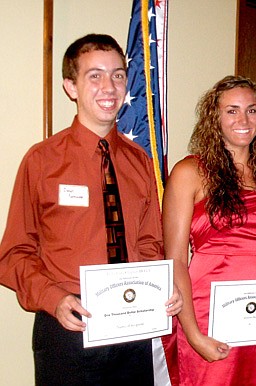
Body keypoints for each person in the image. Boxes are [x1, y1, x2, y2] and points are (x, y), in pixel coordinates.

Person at [0, 33, 182, 385]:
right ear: (71, 87)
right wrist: (54, 299)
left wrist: (161, 287)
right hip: (70, 329)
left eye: (117, 75)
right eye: (94, 76)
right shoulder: (41, 161)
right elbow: (13, 255)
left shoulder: (140, 162)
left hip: (133, 328)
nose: (109, 87)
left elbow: (149, 245)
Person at [161, 75, 256, 386]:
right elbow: (175, 259)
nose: (244, 119)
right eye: (232, 111)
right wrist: (192, 332)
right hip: (206, 312)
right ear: (214, 118)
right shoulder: (189, 173)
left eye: (252, 110)